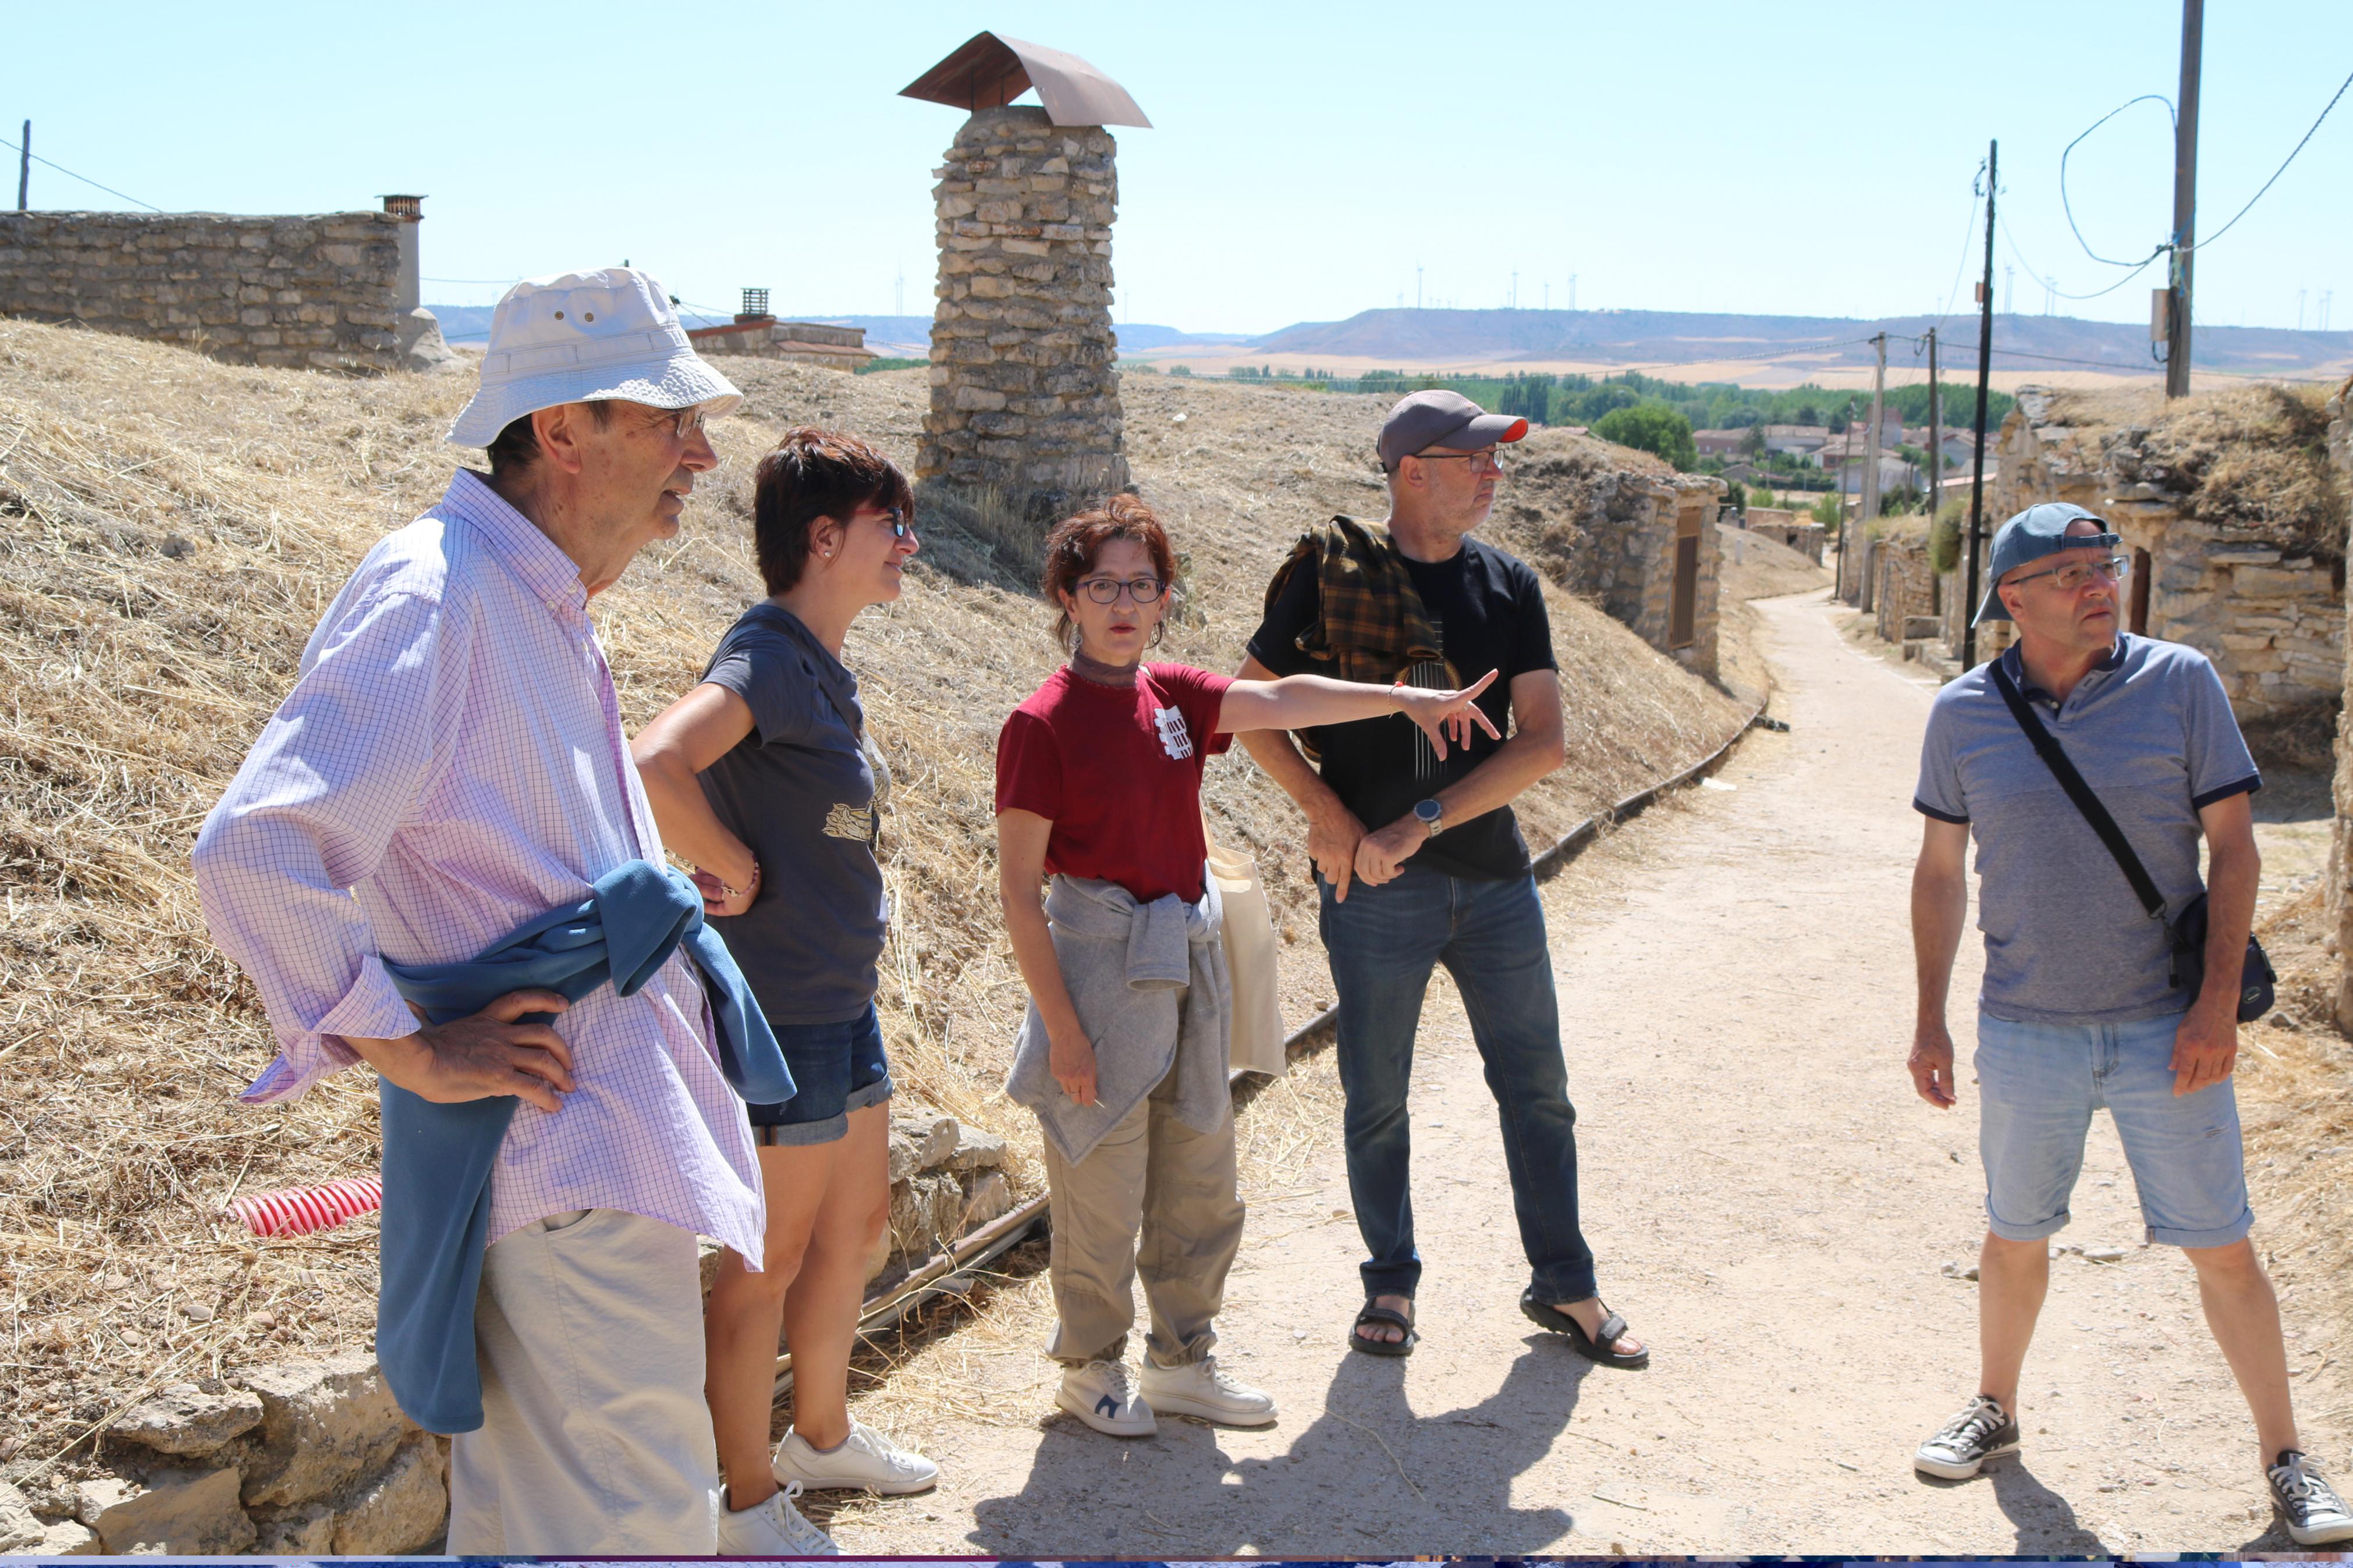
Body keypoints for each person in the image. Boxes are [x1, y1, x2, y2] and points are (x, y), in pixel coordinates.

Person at [191, 269, 803, 1555]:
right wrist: (413, 1050)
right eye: (668, 418)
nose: (702, 452)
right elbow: (258, 849)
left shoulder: (522, 594)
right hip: (561, 1139)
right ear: (563, 430)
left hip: (579, 1132)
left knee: (554, 1522)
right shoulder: (442, 591)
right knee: (634, 1531)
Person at [995, 494, 1502, 1435]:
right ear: (1066, 595)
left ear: (1163, 601)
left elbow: (1282, 697)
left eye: (1141, 586)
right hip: (1100, 974)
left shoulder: (1174, 695)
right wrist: (1063, 1029)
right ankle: (1090, 1367)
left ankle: (1182, 1361)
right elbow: (1020, 891)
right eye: (1101, 583)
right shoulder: (1042, 722)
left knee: (1199, 1176)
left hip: (1183, 961)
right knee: (1100, 1188)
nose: (1122, 603)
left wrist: (1407, 697)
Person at [1907, 503, 2353, 1546]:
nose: (2098, 585)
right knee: (2016, 1234)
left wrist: (2214, 1008)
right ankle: (1996, 1410)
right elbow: (1939, 874)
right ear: (2012, 599)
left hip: (2168, 1029)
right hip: (2025, 1026)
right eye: (2067, 574)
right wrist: (1929, 1020)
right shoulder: (1962, 713)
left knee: (2224, 1248)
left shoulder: (2182, 684)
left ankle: (2289, 1459)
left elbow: (2235, 852)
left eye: (2102, 566)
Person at [1236, 390, 1645, 1367]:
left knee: (1538, 1088)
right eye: (1476, 461)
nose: (1494, 476)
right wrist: (1328, 813)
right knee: (1376, 1096)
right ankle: (1391, 1285)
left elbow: (1543, 744)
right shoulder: (1331, 576)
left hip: (1494, 881)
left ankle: (1566, 1285)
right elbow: (1245, 708)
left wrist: (1421, 821)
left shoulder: (1509, 586)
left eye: (1497, 461)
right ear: (1413, 470)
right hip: (1373, 891)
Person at [632, 428, 932, 1552]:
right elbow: (657, 760)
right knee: (767, 1264)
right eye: (887, 525)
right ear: (824, 537)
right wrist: (731, 862)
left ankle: (821, 1435)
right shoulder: (765, 652)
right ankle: (747, 1503)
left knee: (854, 1232)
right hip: (783, 1016)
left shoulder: (817, 662)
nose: (908, 545)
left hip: (838, 1002)